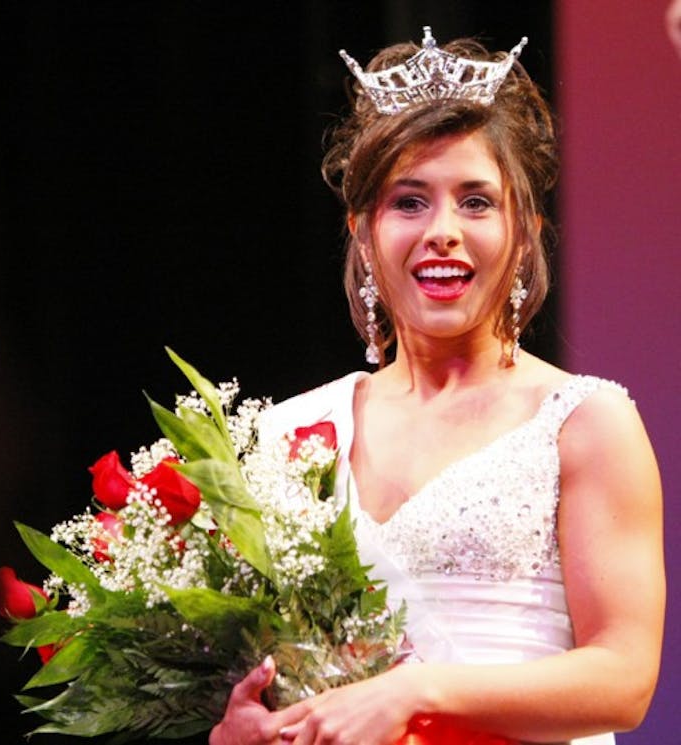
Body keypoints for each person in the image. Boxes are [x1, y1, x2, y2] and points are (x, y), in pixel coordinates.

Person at [209, 28, 664, 745]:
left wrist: (414, 692)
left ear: (524, 233)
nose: (443, 230)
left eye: (477, 202)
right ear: (362, 233)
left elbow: (624, 677)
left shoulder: (584, 422)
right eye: (409, 201)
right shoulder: (294, 433)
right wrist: (243, 725)